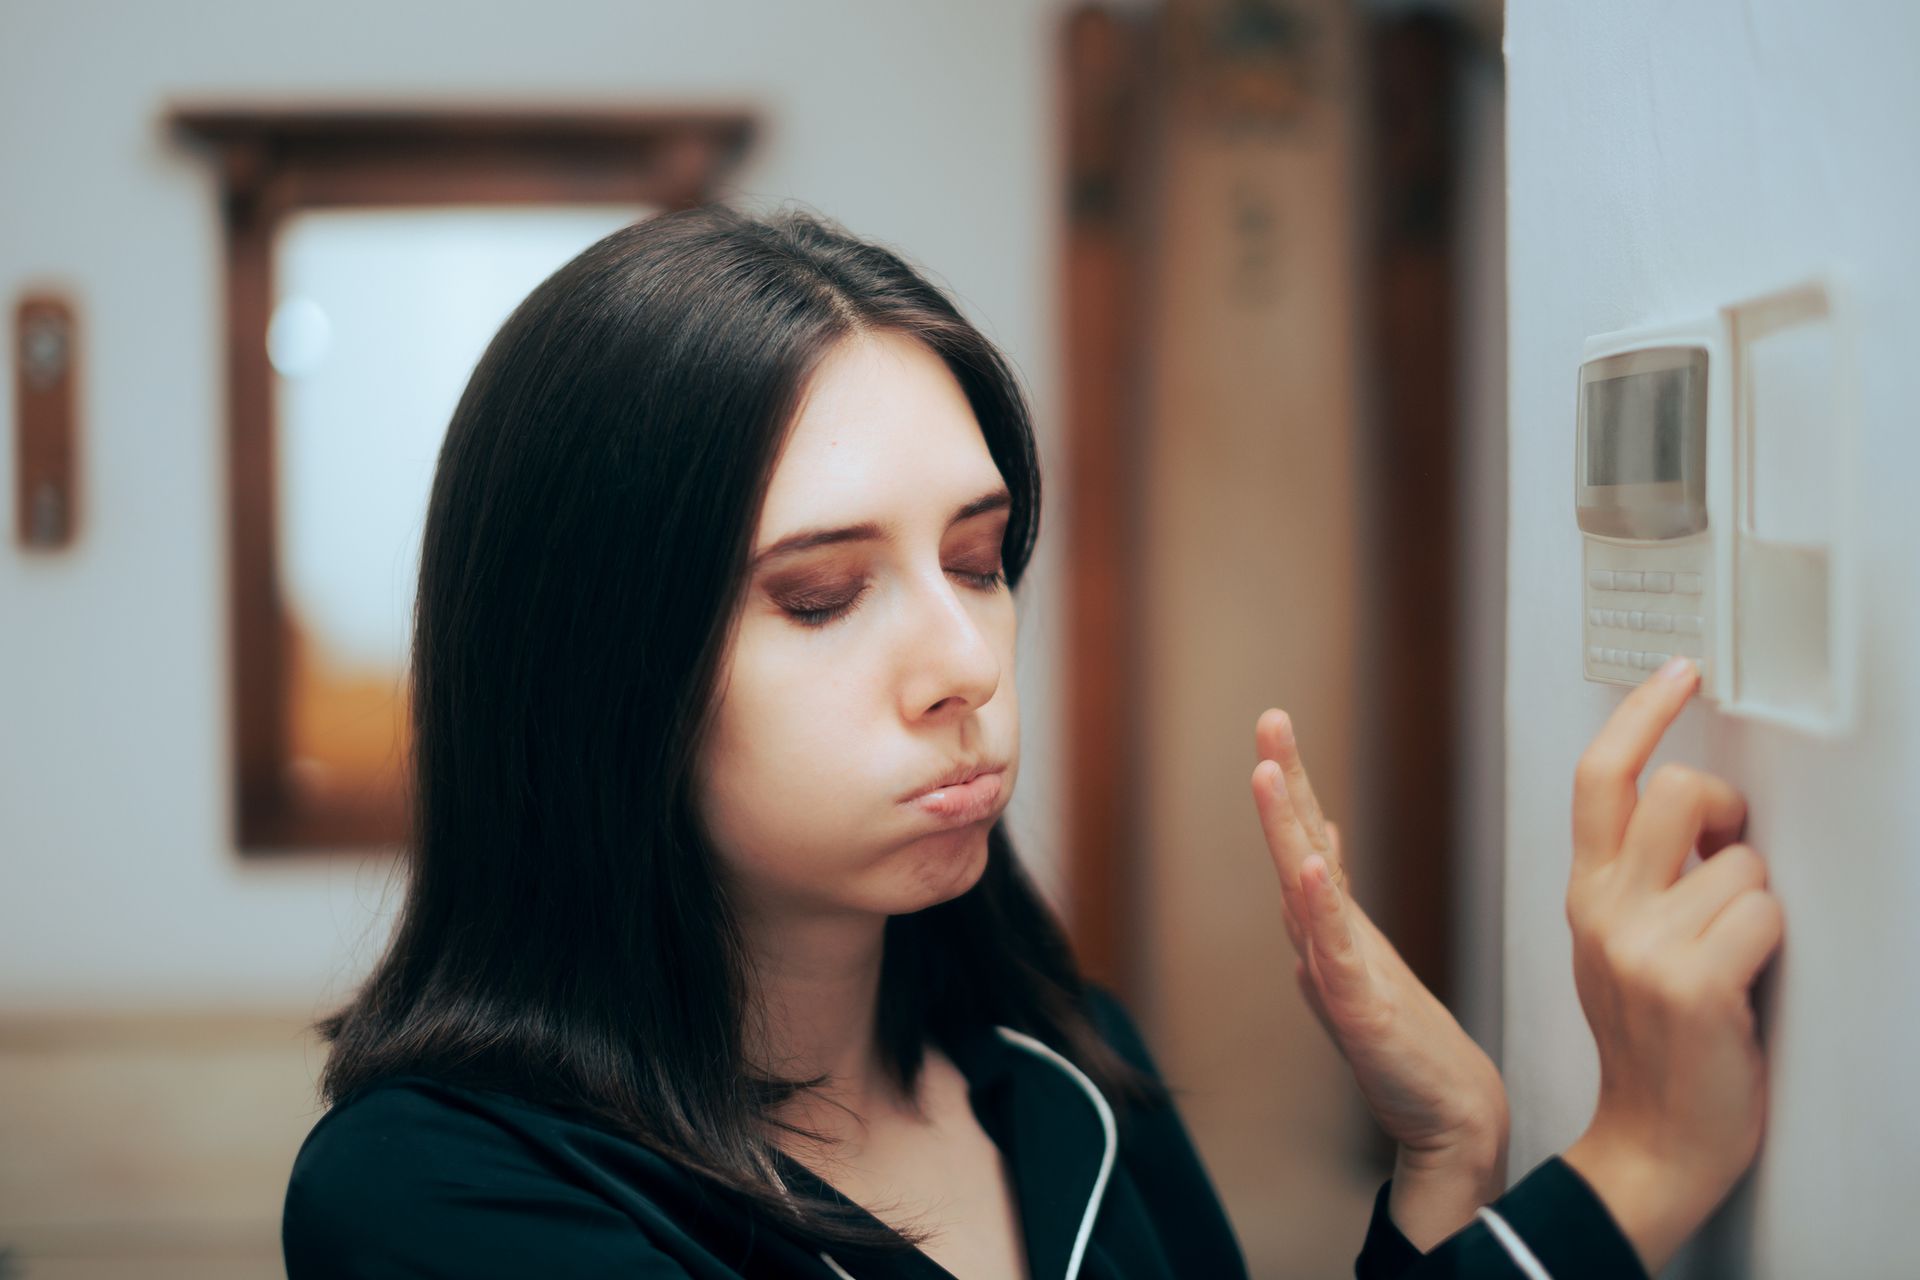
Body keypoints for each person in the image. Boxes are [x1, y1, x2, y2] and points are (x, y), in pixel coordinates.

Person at [281, 205, 1784, 1279]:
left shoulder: (1066, 1065)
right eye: (820, 595)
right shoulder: (437, 1194)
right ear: (588, 668)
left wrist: (1449, 1159)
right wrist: (1637, 1169)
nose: (962, 663)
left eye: (981, 561)